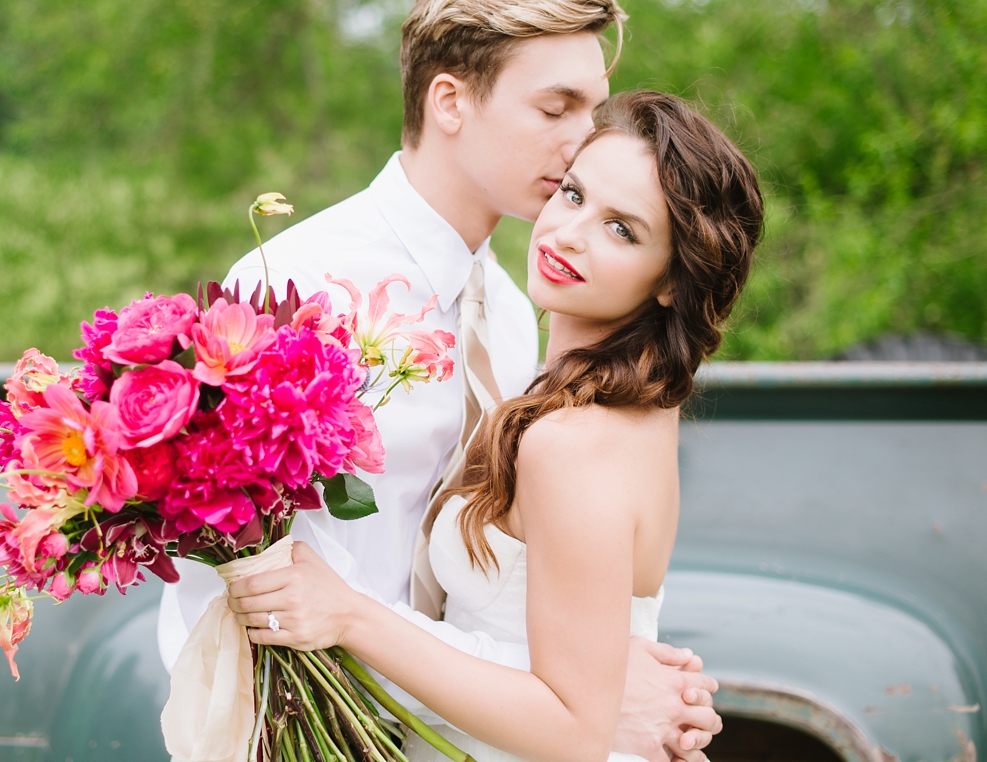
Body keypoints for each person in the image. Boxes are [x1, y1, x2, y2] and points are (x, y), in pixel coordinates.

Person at [157, 0, 722, 759]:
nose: (581, 143)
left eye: (592, 110)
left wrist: (585, 692)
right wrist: (598, 703)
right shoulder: (297, 287)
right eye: (555, 107)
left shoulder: (516, 311)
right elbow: (251, 598)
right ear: (450, 100)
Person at [225, 90, 764, 762]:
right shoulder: (611, 403)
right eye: (573, 195)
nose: (570, 232)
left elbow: (574, 727)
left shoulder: (574, 441)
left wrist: (349, 613)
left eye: (622, 228)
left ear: (670, 282)